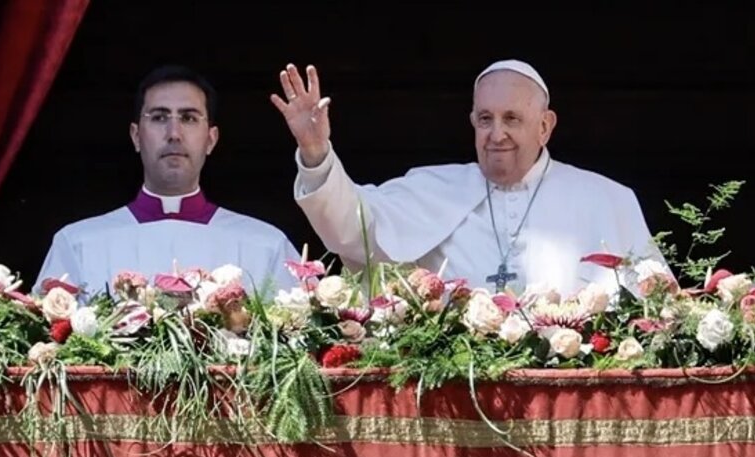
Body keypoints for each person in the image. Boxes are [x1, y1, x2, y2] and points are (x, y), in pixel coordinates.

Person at [269, 59, 669, 297]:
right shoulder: (432, 189)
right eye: (485, 119)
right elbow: (350, 229)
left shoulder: (606, 199)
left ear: (545, 126)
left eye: (512, 118)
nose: (497, 134)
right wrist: (316, 150)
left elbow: (658, 309)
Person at [38, 64, 301, 296]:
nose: (174, 133)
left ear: (211, 139)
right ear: (136, 136)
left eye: (188, 118)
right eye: (159, 117)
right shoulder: (77, 244)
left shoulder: (265, 245)